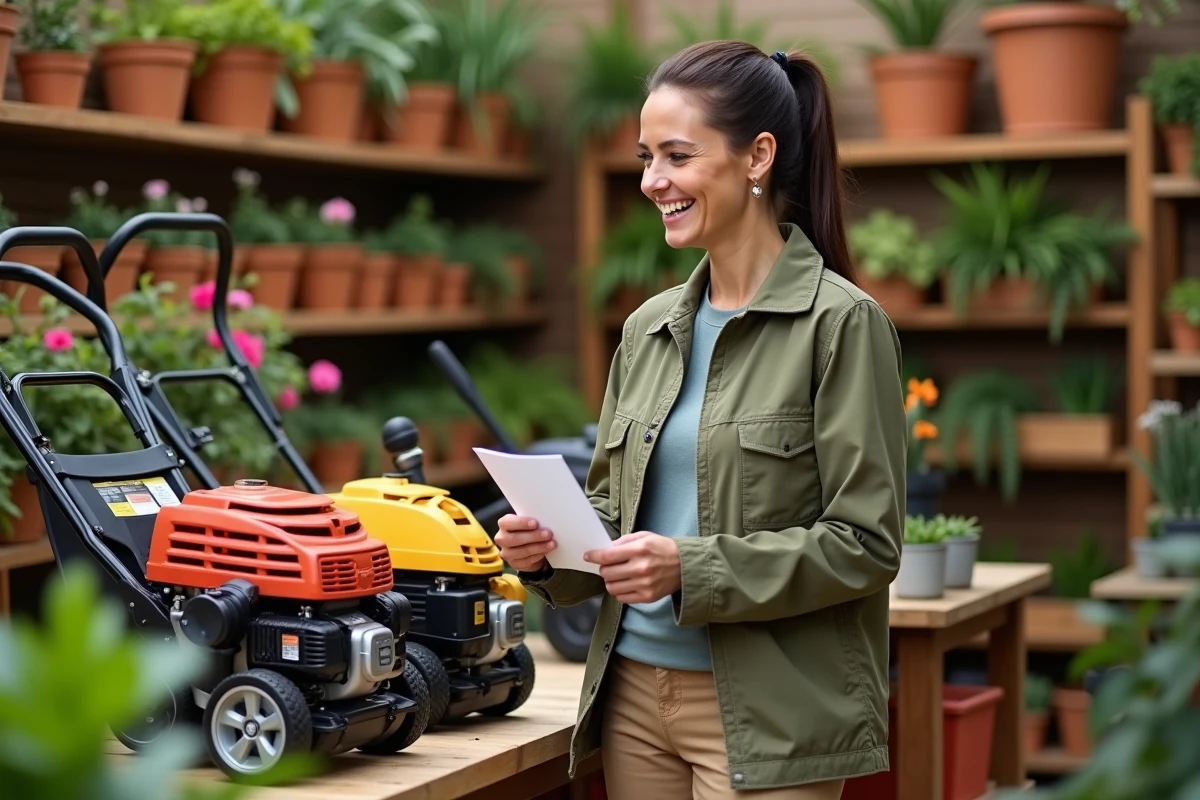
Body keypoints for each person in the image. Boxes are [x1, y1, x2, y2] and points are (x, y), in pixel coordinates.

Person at [494, 40, 906, 799]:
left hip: (770, 717)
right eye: (647, 157)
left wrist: (690, 566)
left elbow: (866, 544)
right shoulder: (647, 327)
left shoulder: (842, 325)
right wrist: (548, 550)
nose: (653, 181)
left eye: (677, 156)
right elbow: (614, 516)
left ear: (757, 157)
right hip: (632, 701)